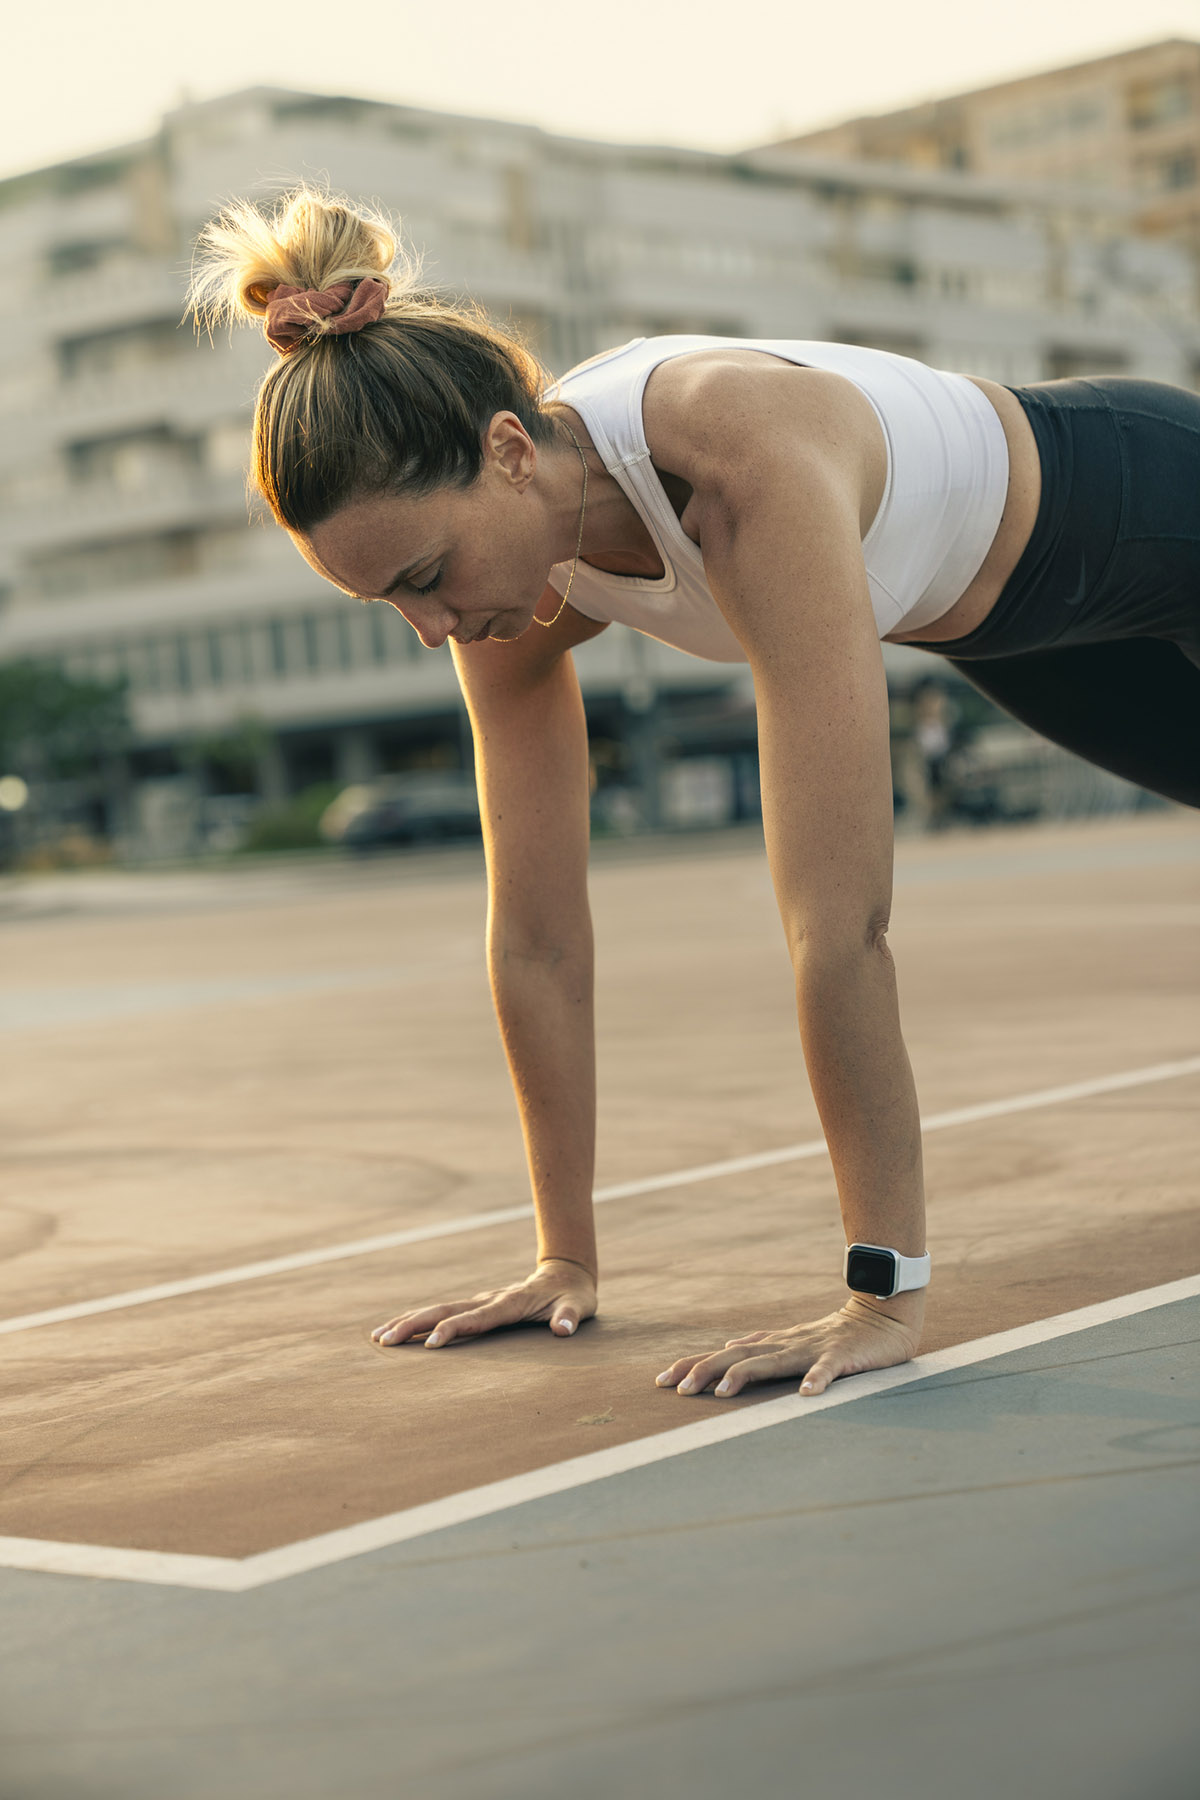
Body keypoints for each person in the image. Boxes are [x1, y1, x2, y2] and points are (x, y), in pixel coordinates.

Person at [190, 188, 1200, 1403]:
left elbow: (841, 925)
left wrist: (882, 1292)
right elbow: (539, 940)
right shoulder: (506, 596)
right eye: (390, 605)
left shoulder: (737, 458)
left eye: (427, 577)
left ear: (509, 452)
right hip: (1023, 632)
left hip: (1152, 502)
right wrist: (564, 1255)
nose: (429, 629)